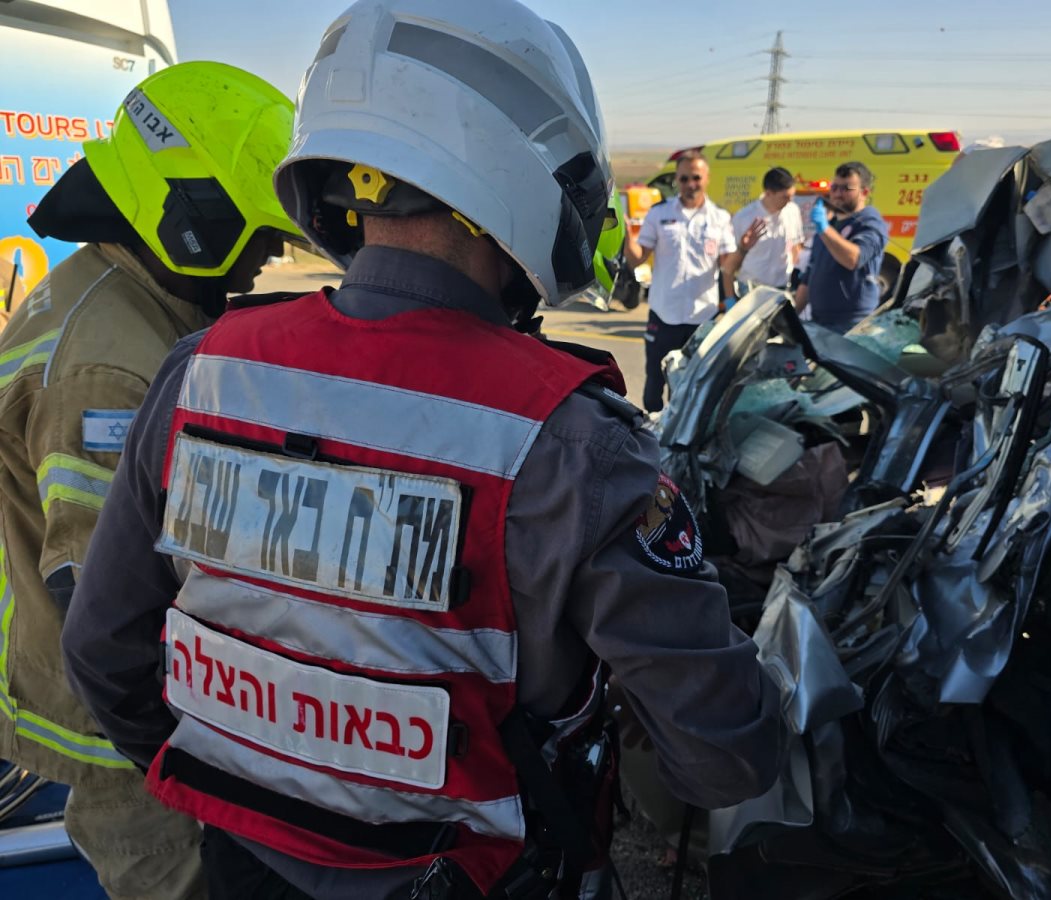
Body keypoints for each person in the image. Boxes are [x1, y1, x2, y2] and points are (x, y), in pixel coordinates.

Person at [60, 3, 784, 899]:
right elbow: (723, 760)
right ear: (522, 172)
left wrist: (251, 791)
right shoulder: (573, 440)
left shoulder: (202, 371)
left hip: (239, 869)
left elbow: (102, 653)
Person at [0, 62, 298, 898]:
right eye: (257, 232)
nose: (269, 257)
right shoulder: (107, 362)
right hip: (117, 741)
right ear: (191, 212)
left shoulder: (122, 295)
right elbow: (98, 593)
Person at [624, 151, 764, 412]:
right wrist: (624, 235)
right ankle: (654, 437)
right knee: (655, 384)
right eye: (684, 178)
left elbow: (727, 267)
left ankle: (683, 441)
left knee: (694, 385)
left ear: (706, 178)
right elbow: (637, 260)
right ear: (677, 179)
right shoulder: (659, 214)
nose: (690, 184)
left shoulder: (719, 218)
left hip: (701, 319)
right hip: (663, 315)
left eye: (696, 178)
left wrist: (743, 249)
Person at [793, 161, 890, 333]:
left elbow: (853, 259)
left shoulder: (870, 222)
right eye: (835, 187)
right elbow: (808, 278)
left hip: (853, 324)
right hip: (819, 321)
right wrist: (792, 318)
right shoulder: (830, 226)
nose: (838, 194)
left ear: (864, 192)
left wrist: (824, 229)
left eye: (847, 189)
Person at [729, 166, 805, 293]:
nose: (789, 201)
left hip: (783, 287)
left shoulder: (792, 210)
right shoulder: (744, 217)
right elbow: (732, 259)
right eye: (785, 197)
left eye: (792, 196)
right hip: (751, 288)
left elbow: (796, 247)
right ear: (768, 193)